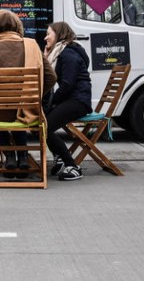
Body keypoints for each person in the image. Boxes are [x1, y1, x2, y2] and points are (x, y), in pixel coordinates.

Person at [0, 10, 56, 177]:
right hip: (27, 111)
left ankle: (9, 155)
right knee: (20, 107)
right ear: (17, 26)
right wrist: (33, 96)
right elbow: (51, 77)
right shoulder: (32, 46)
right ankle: (23, 156)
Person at [43, 21, 93, 181]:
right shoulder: (63, 52)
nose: (45, 38)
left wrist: (52, 102)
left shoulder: (68, 54)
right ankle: (59, 156)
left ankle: (72, 166)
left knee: (44, 126)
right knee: (41, 119)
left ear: (58, 34)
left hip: (78, 101)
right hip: (74, 99)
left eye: (48, 34)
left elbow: (67, 85)